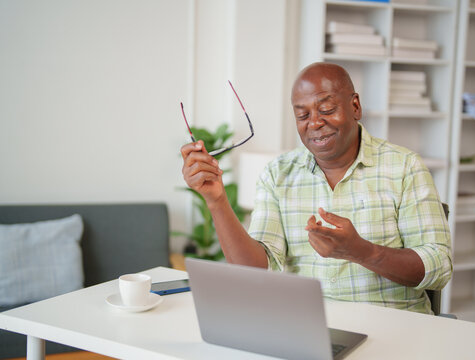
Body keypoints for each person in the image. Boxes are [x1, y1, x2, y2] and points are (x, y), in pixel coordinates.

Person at [181, 62, 452, 314]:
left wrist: (362, 251)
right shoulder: (278, 174)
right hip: (309, 325)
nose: (314, 123)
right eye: (302, 115)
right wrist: (216, 200)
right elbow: (255, 271)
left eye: (326, 110)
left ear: (355, 106)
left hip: (394, 325)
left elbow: (439, 268)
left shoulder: (404, 167)